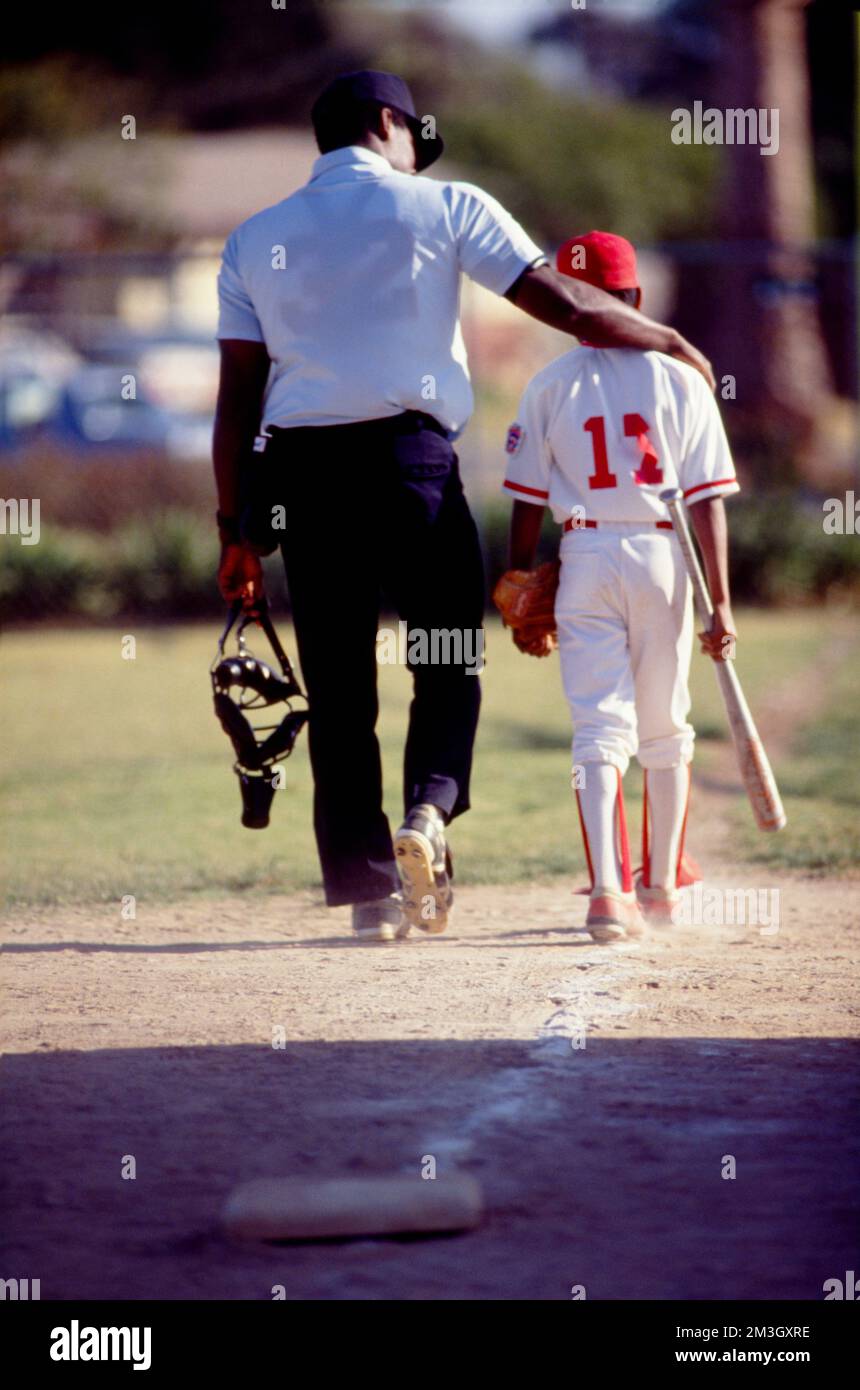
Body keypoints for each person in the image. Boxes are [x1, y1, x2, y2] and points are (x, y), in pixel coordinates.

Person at [213, 71, 715, 943]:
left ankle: (370, 896)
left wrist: (236, 535)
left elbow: (237, 398)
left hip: (302, 479)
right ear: (388, 125)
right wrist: (664, 338)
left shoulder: (255, 238)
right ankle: (429, 814)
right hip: (410, 465)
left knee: (337, 690)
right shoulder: (444, 206)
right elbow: (565, 305)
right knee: (446, 659)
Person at [499, 230, 739, 943]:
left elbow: (523, 497)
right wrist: (720, 599)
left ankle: (609, 892)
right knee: (664, 729)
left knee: (599, 730)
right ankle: (660, 885)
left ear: (569, 306)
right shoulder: (679, 376)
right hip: (662, 552)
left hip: (583, 555)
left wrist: (519, 574)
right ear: (637, 298)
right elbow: (707, 499)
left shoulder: (548, 382)